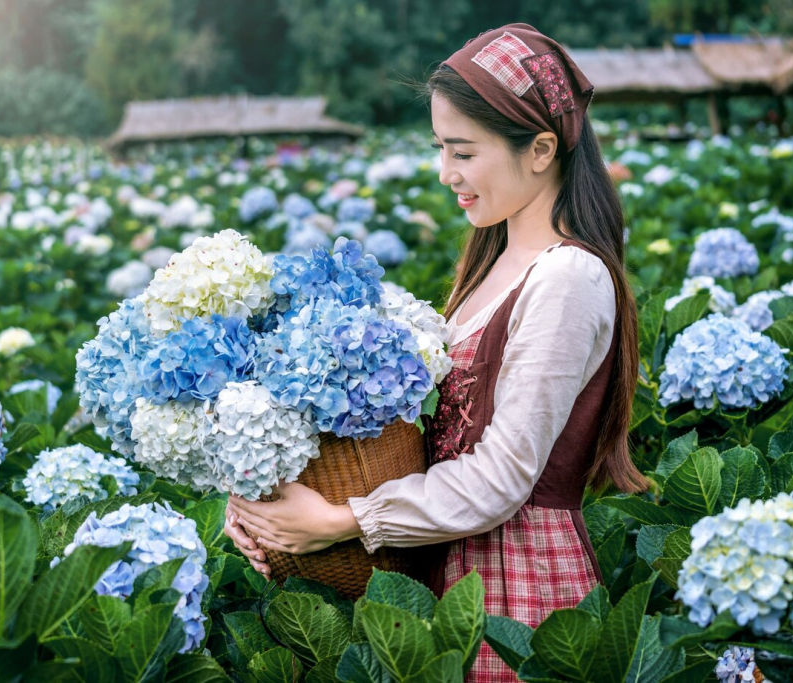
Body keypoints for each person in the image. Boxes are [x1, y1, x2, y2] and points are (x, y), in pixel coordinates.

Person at [225, 23, 649, 680]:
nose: (445, 172)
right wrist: (273, 512)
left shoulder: (568, 278)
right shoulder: (496, 261)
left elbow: (504, 478)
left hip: (514, 587)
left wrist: (343, 519)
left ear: (540, 149)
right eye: (440, 148)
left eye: (463, 152)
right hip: (439, 556)